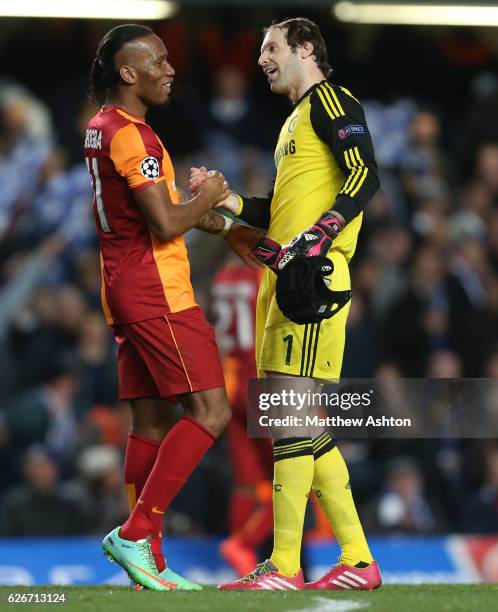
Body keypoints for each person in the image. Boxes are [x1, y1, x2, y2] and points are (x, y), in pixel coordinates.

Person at [191, 17, 382, 591]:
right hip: (281, 275)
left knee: (287, 418)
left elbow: (365, 172)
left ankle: (285, 565)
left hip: (311, 278)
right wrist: (227, 205)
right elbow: (277, 209)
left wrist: (322, 234)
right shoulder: (294, 120)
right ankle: (357, 559)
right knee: (295, 421)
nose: (261, 59)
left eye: (271, 48)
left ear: (305, 49)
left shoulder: (331, 101)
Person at [85, 24, 237, 592]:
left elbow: (152, 208)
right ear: (129, 73)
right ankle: (136, 532)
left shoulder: (102, 130)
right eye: (159, 61)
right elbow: (167, 221)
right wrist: (212, 193)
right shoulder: (134, 137)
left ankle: (146, 560)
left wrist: (221, 226)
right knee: (211, 412)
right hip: (158, 293)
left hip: (123, 287)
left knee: (149, 423)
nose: (171, 69)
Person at [211, 254, 274, 576]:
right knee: (298, 476)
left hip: (229, 384)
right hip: (263, 383)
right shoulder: (264, 275)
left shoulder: (223, 277)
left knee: (246, 484)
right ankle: (245, 543)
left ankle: (242, 561)